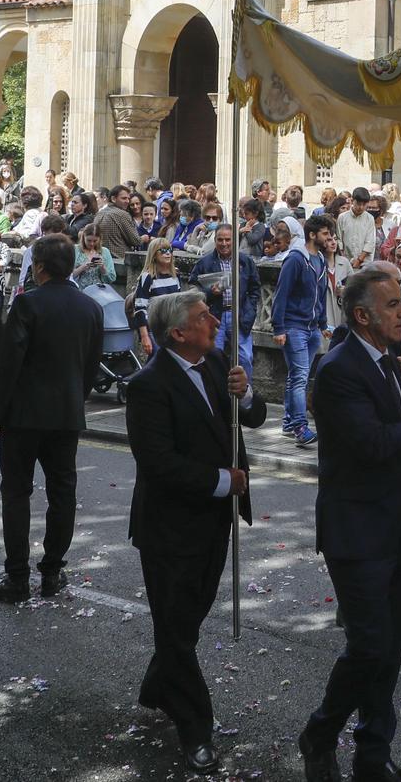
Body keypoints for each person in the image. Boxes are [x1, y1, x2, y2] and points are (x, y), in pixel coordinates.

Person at [299, 268, 401, 782]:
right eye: (393, 305)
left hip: (400, 530)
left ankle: (373, 755)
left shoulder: (394, 365)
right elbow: (372, 444)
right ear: (362, 315)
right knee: (368, 647)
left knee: (390, 652)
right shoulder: (338, 370)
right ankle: (321, 733)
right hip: (358, 532)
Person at [127, 288, 269, 774]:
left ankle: (157, 685)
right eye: (204, 317)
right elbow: (157, 462)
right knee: (175, 627)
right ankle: (195, 727)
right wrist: (220, 481)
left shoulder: (216, 363)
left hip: (214, 522)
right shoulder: (149, 385)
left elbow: (252, 415)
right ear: (178, 333)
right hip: (170, 526)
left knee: (185, 619)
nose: (214, 322)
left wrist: (245, 391)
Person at [0, 233, 104, 603]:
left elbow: (9, 366)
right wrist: (75, 402)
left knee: (17, 494)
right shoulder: (91, 308)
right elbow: (90, 367)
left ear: (38, 266)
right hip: (66, 416)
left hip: (23, 416)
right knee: (62, 494)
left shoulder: (27, 304)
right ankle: (52, 572)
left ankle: (17, 577)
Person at [272, 213, 336, 450]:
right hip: (293, 327)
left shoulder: (318, 259)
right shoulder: (296, 260)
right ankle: (300, 426)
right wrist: (279, 328)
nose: (329, 238)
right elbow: (281, 294)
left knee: (297, 376)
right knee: (299, 378)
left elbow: (319, 295)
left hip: (310, 329)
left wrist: (322, 324)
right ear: (312, 235)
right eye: (325, 234)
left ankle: (289, 422)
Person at [131, 239, 187, 353]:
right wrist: (144, 336)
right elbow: (140, 309)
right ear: (154, 255)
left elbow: (178, 304)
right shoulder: (147, 277)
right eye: (162, 250)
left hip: (173, 329)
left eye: (169, 250)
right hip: (155, 331)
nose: (167, 253)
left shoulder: (175, 276)